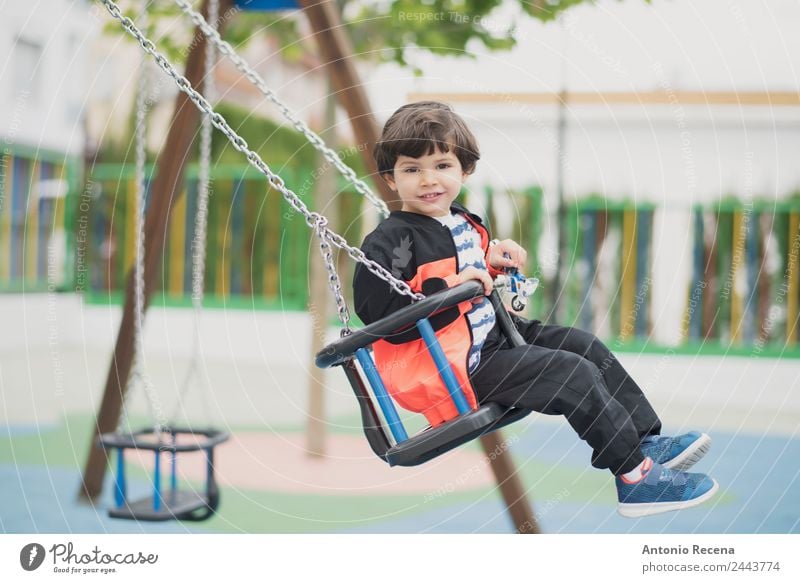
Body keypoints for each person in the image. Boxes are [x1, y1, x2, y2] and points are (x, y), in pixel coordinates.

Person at [353, 101, 718, 518]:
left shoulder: (460, 220)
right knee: (569, 373)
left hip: (492, 338)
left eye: (442, 165)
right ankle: (634, 477)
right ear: (390, 178)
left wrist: (491, 262)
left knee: (584, 346)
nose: (428, 179)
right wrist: (456, 285)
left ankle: (643, 439)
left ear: (465, 169)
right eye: (411, 169)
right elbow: (381, 313)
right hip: (455, 368)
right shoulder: (390, 240)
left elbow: (465, 274)